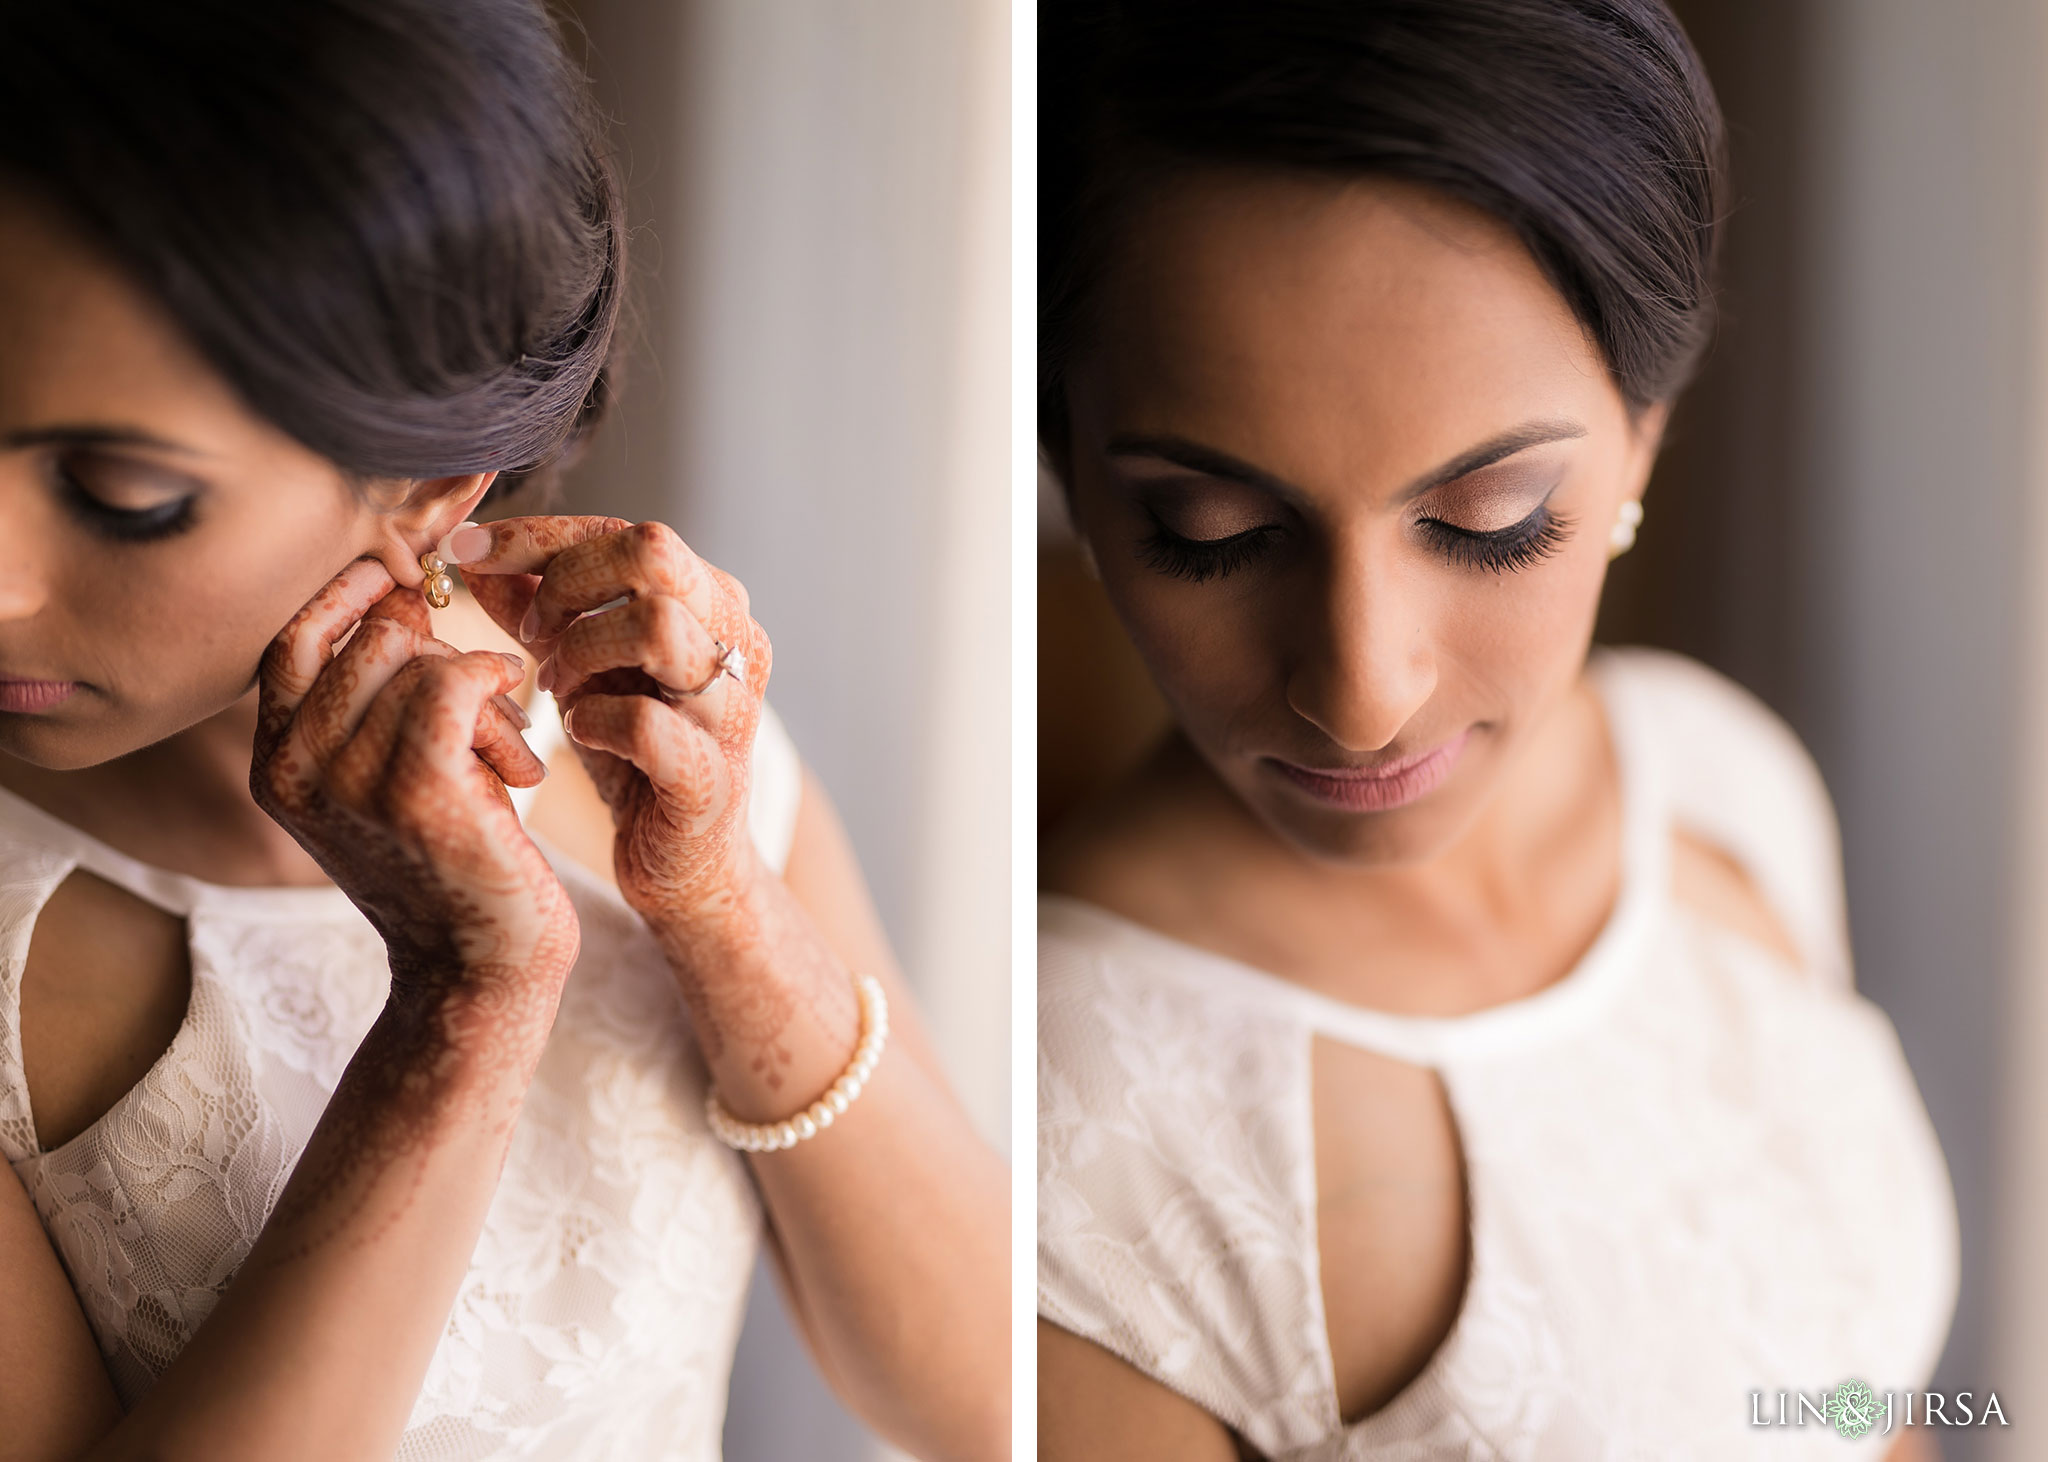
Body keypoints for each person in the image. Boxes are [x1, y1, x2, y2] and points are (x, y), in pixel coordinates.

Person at [0, 3, 1006, 1459]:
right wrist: (462, 1004)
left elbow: (982, 1396)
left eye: (123, 493)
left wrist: (717, 902)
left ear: (425, 490)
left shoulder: (646, 746)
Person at [1035, 1, 1956, 1457]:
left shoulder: (1718, 783)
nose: (1361, 691)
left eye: (1491, 521)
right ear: (1071, 474)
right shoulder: (1067, 1128)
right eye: (1207, 530)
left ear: (1645, 426)